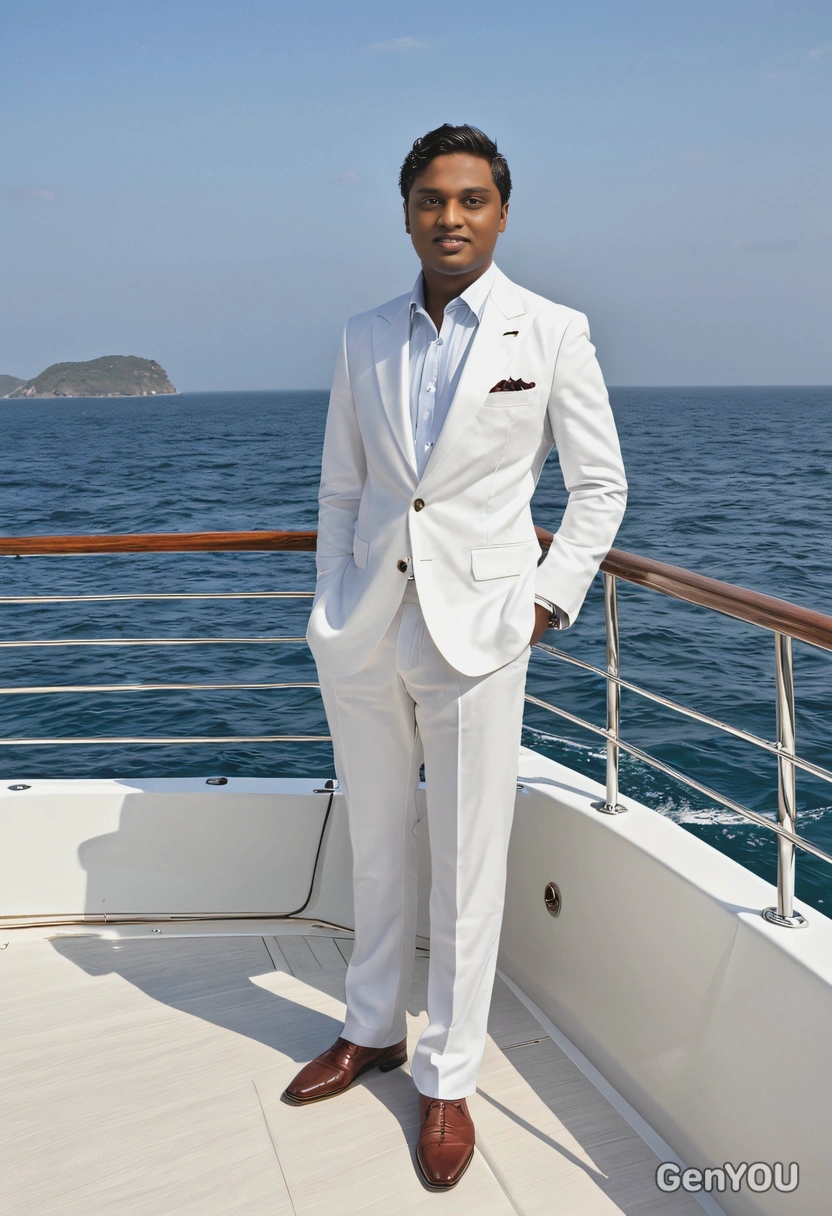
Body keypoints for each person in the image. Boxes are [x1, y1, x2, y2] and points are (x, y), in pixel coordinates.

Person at [283, 123, 627, 1191]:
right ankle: (371, 1026)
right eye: (432, 199)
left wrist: (543, 603)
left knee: (470, 865)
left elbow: (600, 486)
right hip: (367, 628)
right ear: (405, 211)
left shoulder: (554, 331)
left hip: (482, 634)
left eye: (471, 199)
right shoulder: (362, 336)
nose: (451, 217)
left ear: (502, 212)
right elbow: (345, 487)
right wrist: (332, 598)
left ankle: (447, 1077)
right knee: (378, 844)